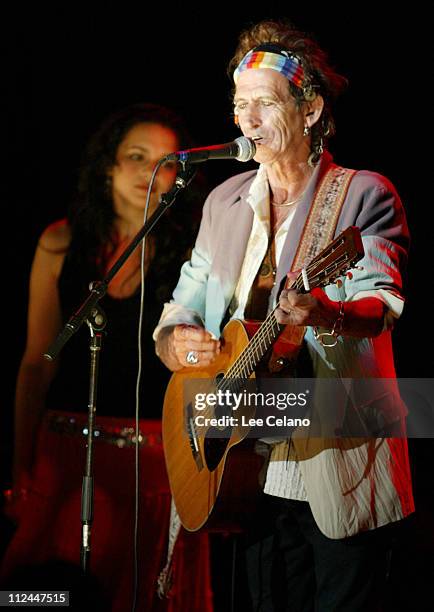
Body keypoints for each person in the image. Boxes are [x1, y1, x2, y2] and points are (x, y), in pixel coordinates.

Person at [154, 19, 414, 612]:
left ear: (311, 108)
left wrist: (326, 311)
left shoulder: (364, 194)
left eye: (263, 104)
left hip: (336, 456)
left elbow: (379, 304)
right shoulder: (222, 201)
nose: (245, 120)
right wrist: (174, 341)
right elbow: (183, 303)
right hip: (244, 466)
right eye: (239, 104)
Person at [3, 103, 212, 611]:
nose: (149, 172)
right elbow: (37, 363)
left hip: (154, 459)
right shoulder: (59, 243)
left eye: (165, 162)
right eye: (136, 156)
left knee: (136, 593)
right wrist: (19, 464)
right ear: (107, 166)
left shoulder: (194, 256)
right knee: (35, 595)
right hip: (63, 453)